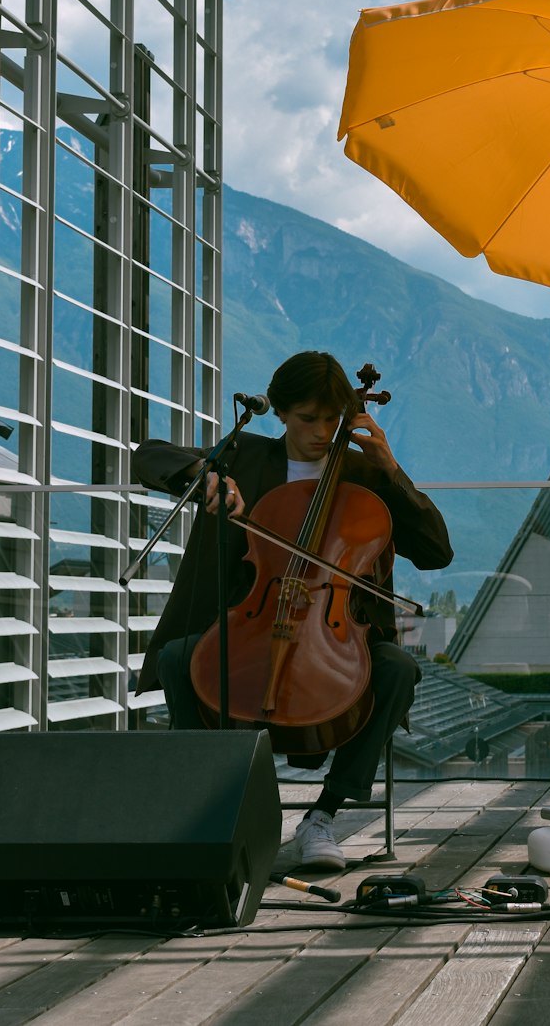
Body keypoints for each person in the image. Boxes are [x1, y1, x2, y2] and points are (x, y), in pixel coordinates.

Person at [133, 350, 453, 872]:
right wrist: (204, 473)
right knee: (177, 657)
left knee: (398, 669)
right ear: (280, 411)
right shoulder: (243, 456)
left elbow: (438, 551)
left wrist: (392, 471)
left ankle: (322, 818)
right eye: (308, 419)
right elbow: (148, 454)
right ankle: (214, 804)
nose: (322, 432)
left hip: (334, 634)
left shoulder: (365, 475)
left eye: (333, 419)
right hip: (251, 625)